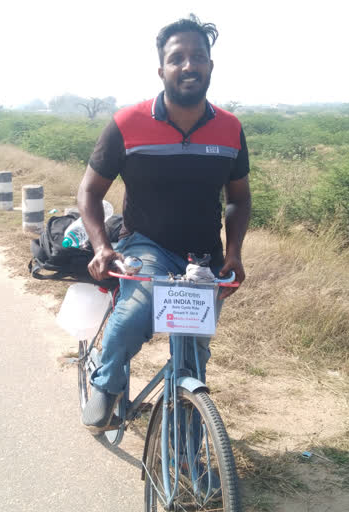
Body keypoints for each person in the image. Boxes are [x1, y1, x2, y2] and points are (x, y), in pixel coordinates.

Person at [77, 14, 251, 430]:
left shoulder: (229, 128)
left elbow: (239, 199)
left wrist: (233, 253)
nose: (189, 65)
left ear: (210, 66)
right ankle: (107, 378)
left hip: (203, 258)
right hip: (146, 244)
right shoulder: (127, 124)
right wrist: (103, 246)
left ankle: (187, 444)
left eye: (198, 57)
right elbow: (89, 192)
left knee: (193, 353)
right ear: (162, 69)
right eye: (178, 58)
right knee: (137, 312)